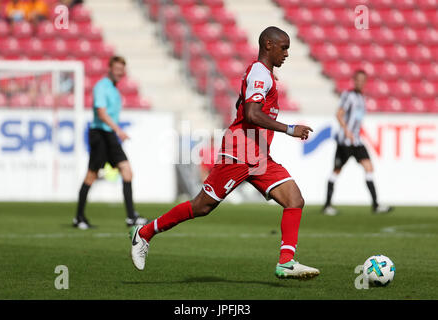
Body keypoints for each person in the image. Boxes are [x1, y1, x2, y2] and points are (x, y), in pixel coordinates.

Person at [130, 26, 320, 280]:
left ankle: (286, 262)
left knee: (294, 200)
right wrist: (289, 129)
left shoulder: (263, 74)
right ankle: (144, 233)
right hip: (240, 153)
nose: (287, 53)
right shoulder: (260, 74)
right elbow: (252, 113)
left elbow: (242, 105)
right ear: (268, 46)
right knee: (201, 207)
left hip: (258, 155)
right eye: (283, 48)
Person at [73, 56, 148, 229]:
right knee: (91, 175)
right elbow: (101, 112)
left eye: (122, 70)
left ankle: (131, 217)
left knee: (127, 171)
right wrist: (118, 130)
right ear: (110, 69)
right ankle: (79, 217)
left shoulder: (114, 89)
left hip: (110, 135)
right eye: (116, 69)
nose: (119, 73)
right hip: (100, 134)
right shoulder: (102, 87)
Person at [322, 69, 393, 216]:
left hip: (357, 142)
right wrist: (347, 130)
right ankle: (327, 205)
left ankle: (376, 205)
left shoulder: (361, 98)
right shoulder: (349, 96)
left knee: (369, 167)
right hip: (345, 142)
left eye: (363, 80)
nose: (360, 82)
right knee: (336, 171)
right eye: (358, 80)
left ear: (365, 82)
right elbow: (339, 114)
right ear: (354, 80)